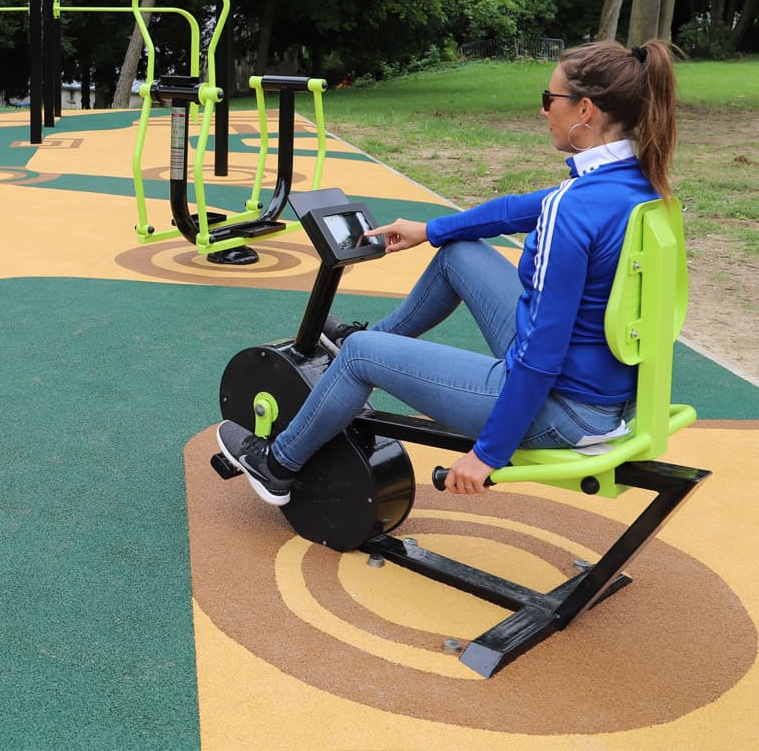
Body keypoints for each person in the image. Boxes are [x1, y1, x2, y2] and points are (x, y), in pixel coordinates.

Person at [217, 39, 679, 506]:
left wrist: (488, 454)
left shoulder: (573, 211)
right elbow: (518, 209)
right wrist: (430, 230)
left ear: (584, 110)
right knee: (459, 252)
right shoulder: (636, 183)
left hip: (560, 409)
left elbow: (542, 353)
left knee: (360, 354)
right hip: (603, 393)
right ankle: (374, 345)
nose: (543, 112)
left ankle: (277, 466)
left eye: (548, 100)